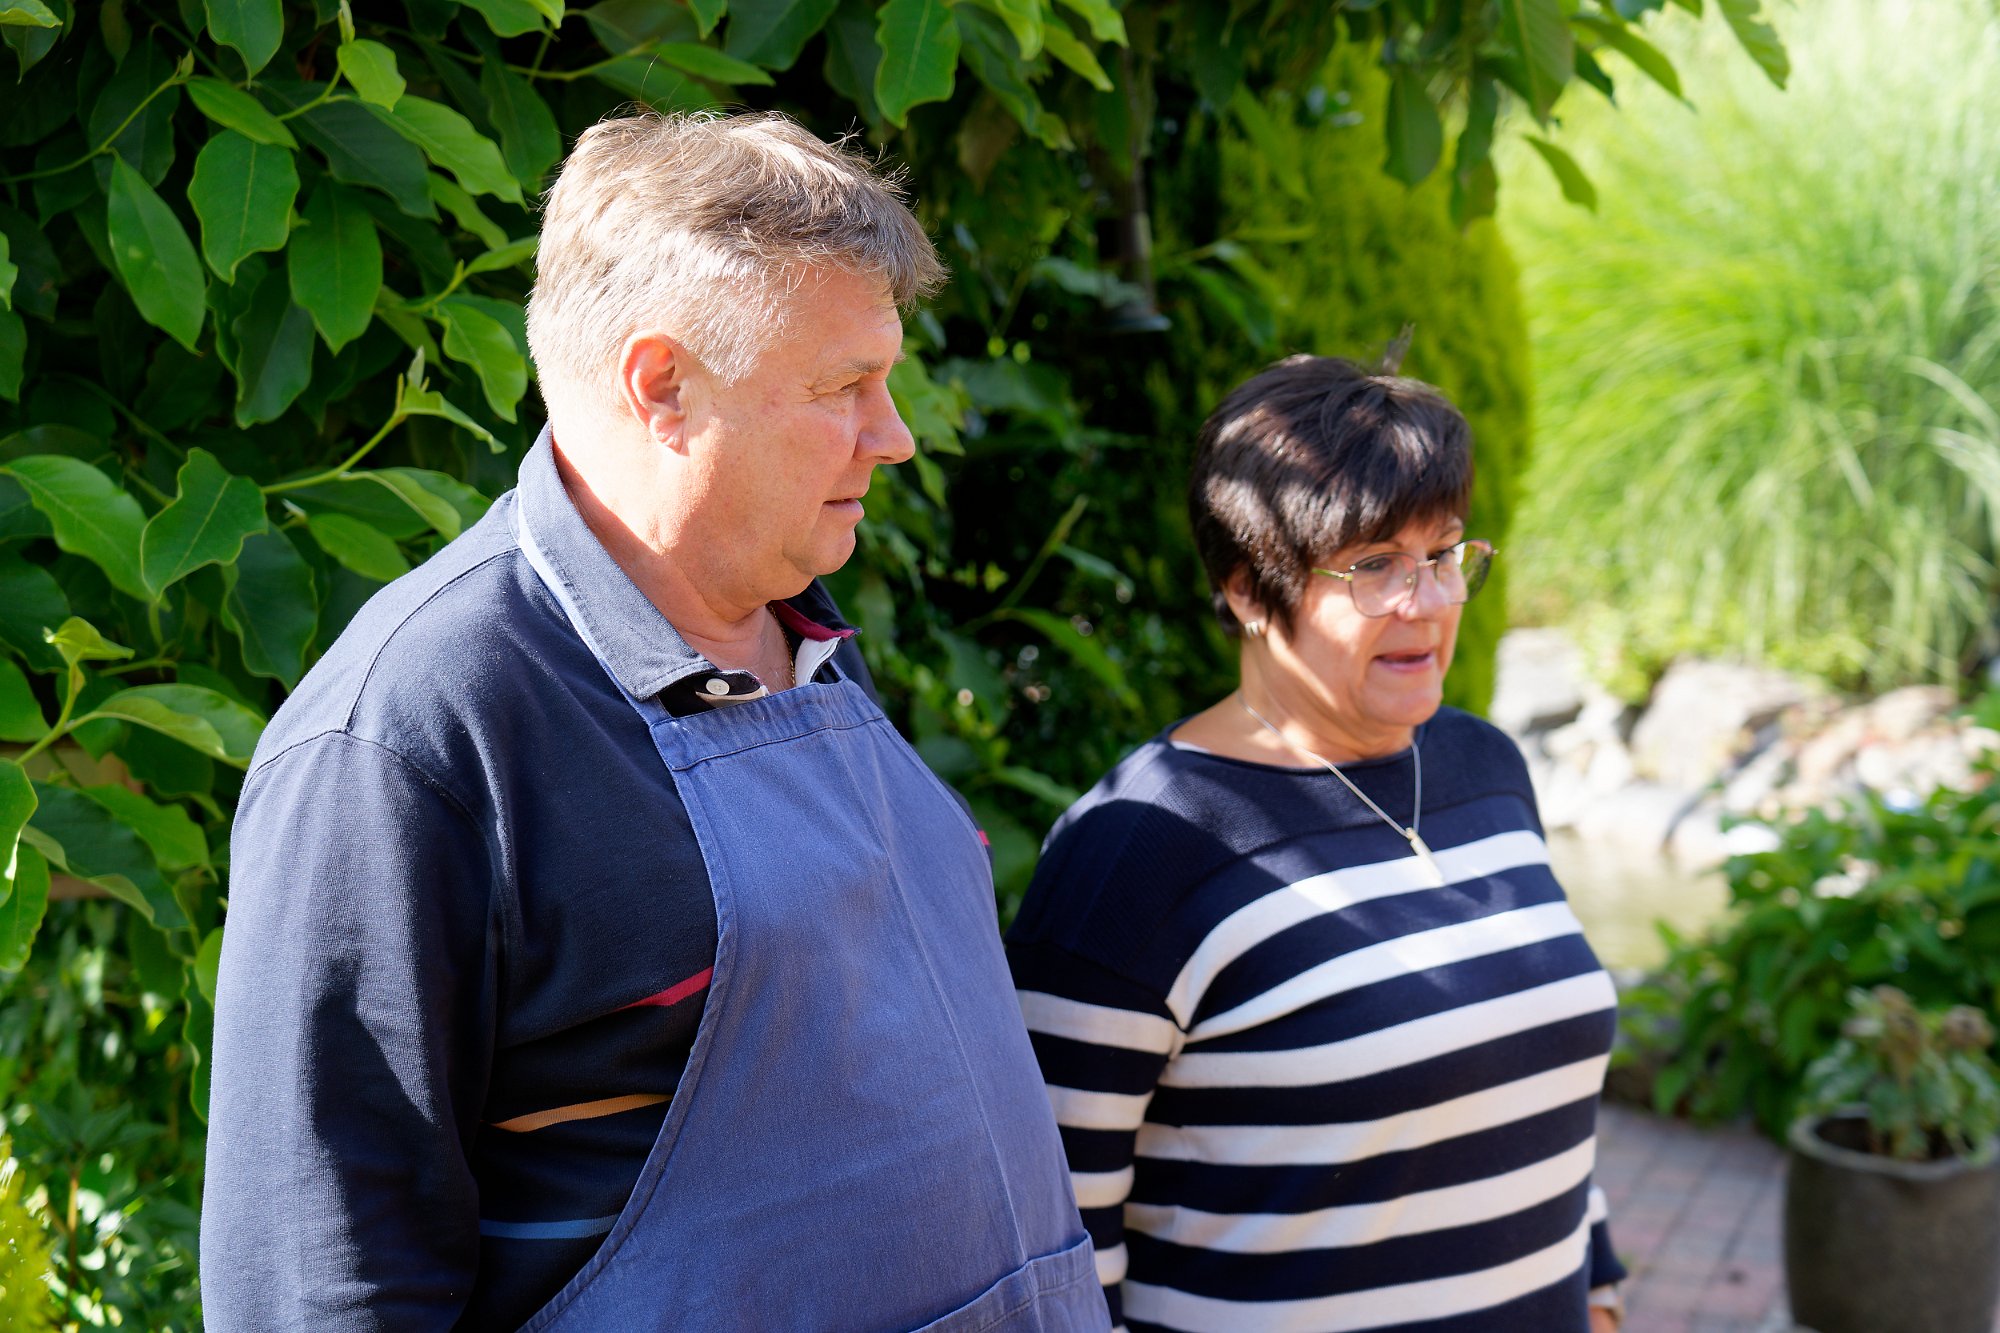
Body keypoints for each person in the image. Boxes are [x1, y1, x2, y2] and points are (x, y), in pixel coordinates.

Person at [202, 111, 1106, 1332]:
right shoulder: (411, 736)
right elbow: (324, 1285)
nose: (891, 436)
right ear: (662, 386)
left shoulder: (806, 641)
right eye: (843, 386)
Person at [1006, 356, 1627, 1332]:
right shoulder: (1139, 849)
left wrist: (1598, 1291)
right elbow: (1053, 1239)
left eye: (1444, 553)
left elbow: (1529, 1080)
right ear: (1251, 591)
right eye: (1374, 564)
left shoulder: (1484, 767)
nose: (1428, 601)